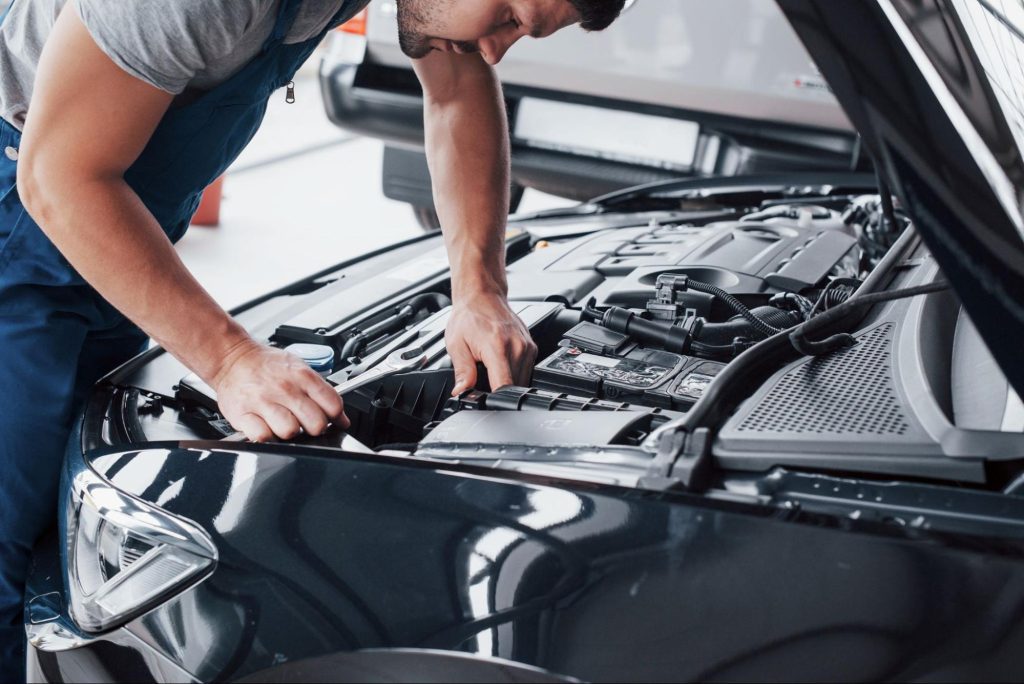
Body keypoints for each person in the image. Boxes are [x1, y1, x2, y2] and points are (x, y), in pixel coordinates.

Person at [0, 0, 626, 679]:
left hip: (109, 241)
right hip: (33, 214)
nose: (498, 47)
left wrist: (480, 291)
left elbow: (458, 85)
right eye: (508, 13)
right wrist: (230, 359)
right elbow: (59, 178)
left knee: (63, 530)